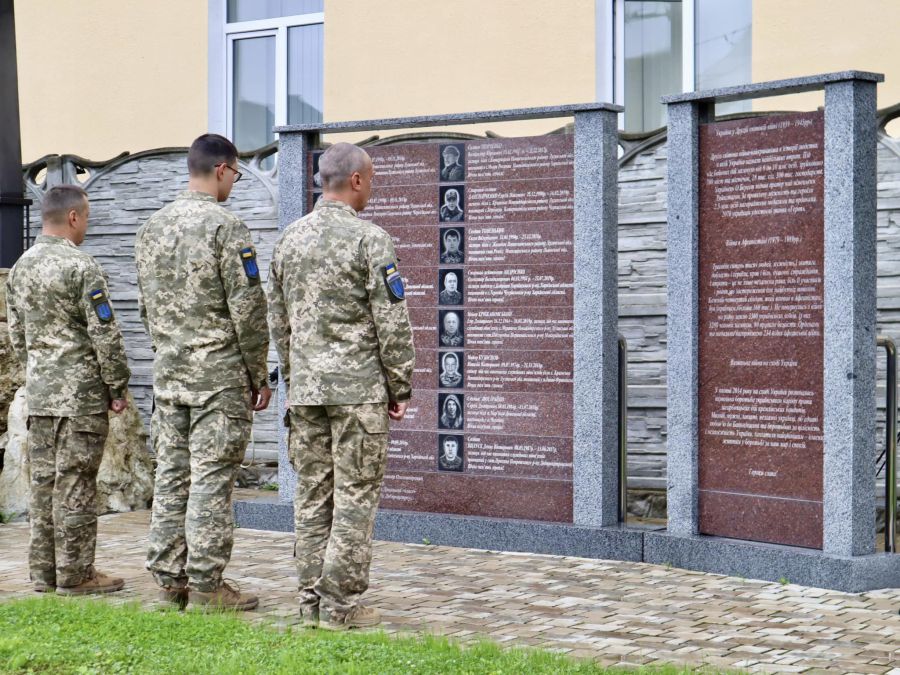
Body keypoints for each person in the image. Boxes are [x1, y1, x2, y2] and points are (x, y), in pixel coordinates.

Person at [269, 142, 415, 631]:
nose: (370, 190)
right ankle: (340, 608)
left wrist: (295, 379)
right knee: (354, 496)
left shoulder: (288, 240)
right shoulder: (369, 240)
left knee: (311, 497)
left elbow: (278, 321)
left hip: (307, 393)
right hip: (358, 394)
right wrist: (400, 385)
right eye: (369, 180)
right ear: (355, 181)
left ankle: (309, 604)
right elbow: (391, 322)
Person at [135, 134, 271, 612]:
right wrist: (259, 374)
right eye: (234, 174)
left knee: (172, 476)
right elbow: (248, 310)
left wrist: (167, 353)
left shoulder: (152, 227)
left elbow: (146, 307)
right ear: (221, 169)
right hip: (219, 378)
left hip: (169, 376)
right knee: (212, 478)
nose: (233, 182)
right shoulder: (226, 227)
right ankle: (208, 587)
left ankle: (171, 581)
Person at [7, 184, 131, 596]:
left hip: (41, 394)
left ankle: (44, 572)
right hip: (80, 397)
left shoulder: (21, 267)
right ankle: (76, 575)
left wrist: (37, 374)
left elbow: (17, 335)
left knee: (43, 484)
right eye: (87, 219)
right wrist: (117, 386)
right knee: (76, 482)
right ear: (75, 217)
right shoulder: (82, 267)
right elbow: (105, 334)